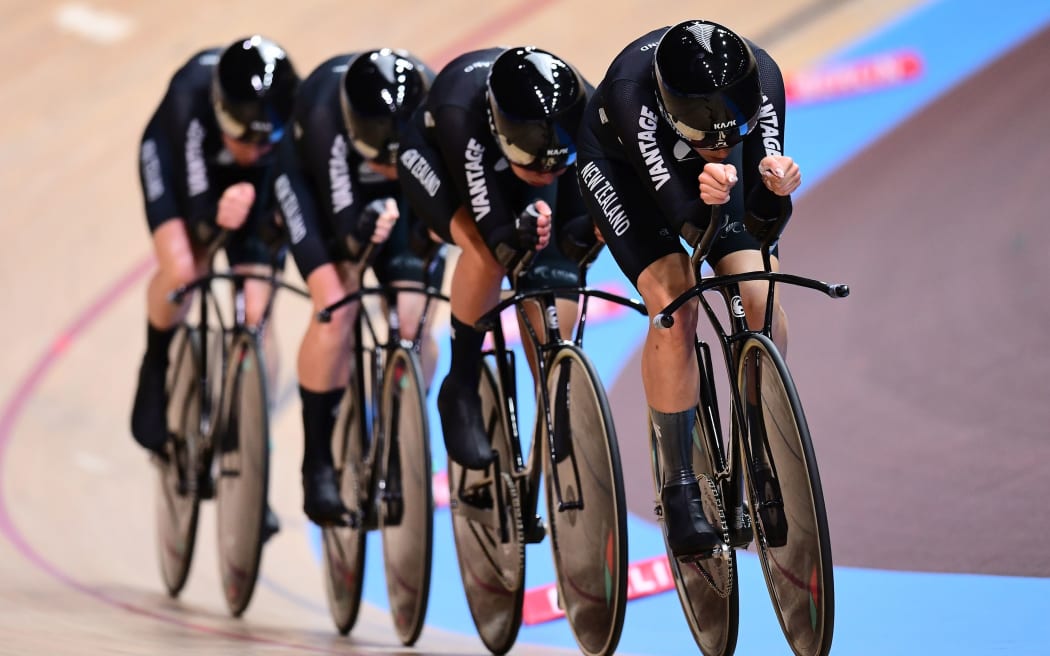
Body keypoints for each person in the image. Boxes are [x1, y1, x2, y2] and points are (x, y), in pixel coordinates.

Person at [575, 19, 802, 558]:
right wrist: (705, 200)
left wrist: (774, 194)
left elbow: (765, 223)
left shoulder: (763, 78)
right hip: (625, 170)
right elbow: (686, 220)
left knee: (759, 294)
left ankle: (762, 441)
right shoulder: (633, 93)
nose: (718, 145)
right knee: (676, 301)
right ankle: (678, 482)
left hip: (714, 168)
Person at [396, 46, 598, 471]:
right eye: (538, 168)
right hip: (442, 163)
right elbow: (499, 235)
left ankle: (555, 413)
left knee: (552, 296)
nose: (549, 176)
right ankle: (461, 385)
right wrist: (515, 235)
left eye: (557, 169)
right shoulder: (460, 111)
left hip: (521, 160)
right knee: (488, 253)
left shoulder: (580, 105)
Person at [132, 35, 299, 535]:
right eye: (242, 139)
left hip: (256, 195)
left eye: (262, 142)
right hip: (181, 168)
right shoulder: (191, 96)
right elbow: (200, 214)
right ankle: (156, 366)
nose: (251, 151)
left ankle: (252, 457)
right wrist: (212, 221)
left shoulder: (286, 122)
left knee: (257, 312)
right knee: (187, 270)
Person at [270, 48, 441, 525]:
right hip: (316, 187)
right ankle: (318, 462)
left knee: (415, 317)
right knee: (337, 305)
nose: (385, 168)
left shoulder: (429, 114)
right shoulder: (327, 114)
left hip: (405, 196)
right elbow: (345, 227)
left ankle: (398, 439)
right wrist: (360, 230)